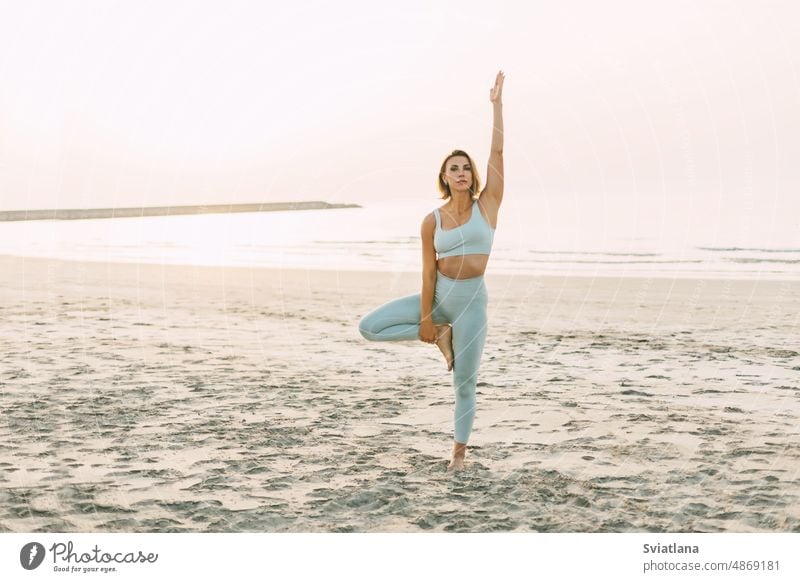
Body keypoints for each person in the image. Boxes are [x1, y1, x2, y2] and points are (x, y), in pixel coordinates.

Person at [358, 70, 505, 472]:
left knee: (464, 383)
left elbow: (497, 156)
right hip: (440, 297)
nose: (461, 173)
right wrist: (427, 319)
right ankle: (442, 335)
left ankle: (458, 454)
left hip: (473, 304)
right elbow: (426, 274)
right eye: (453, 169)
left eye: (466, 168)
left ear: (473, 176)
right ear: (444, 177)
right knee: (369, 327)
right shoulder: (431, 220)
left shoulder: (486, 207)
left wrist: (496, 106)